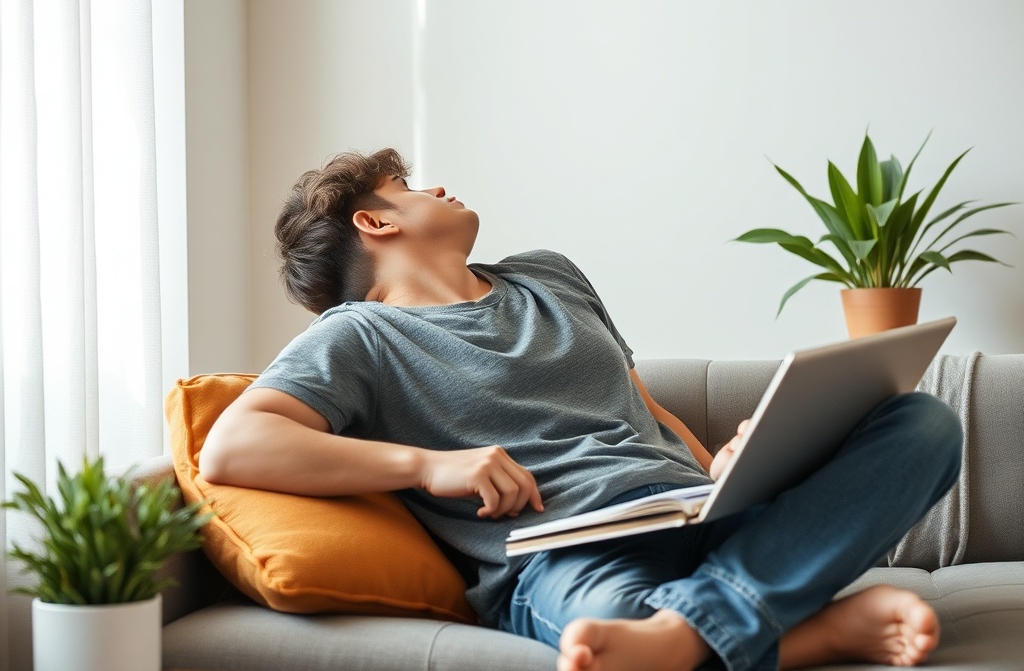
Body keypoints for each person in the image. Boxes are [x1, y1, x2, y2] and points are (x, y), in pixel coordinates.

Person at [200, 148, 963, 671]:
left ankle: (700, 634)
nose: (437, 189)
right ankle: (804, 629)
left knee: (924, 423)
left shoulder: (549, 276)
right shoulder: (360, 336)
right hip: (570, 553)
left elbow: (645, 409)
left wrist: (735, 465)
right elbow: (235, 446)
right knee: (607, 641)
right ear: (375, 221)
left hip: (702, 513)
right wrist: (429, 465)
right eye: (410, 187)